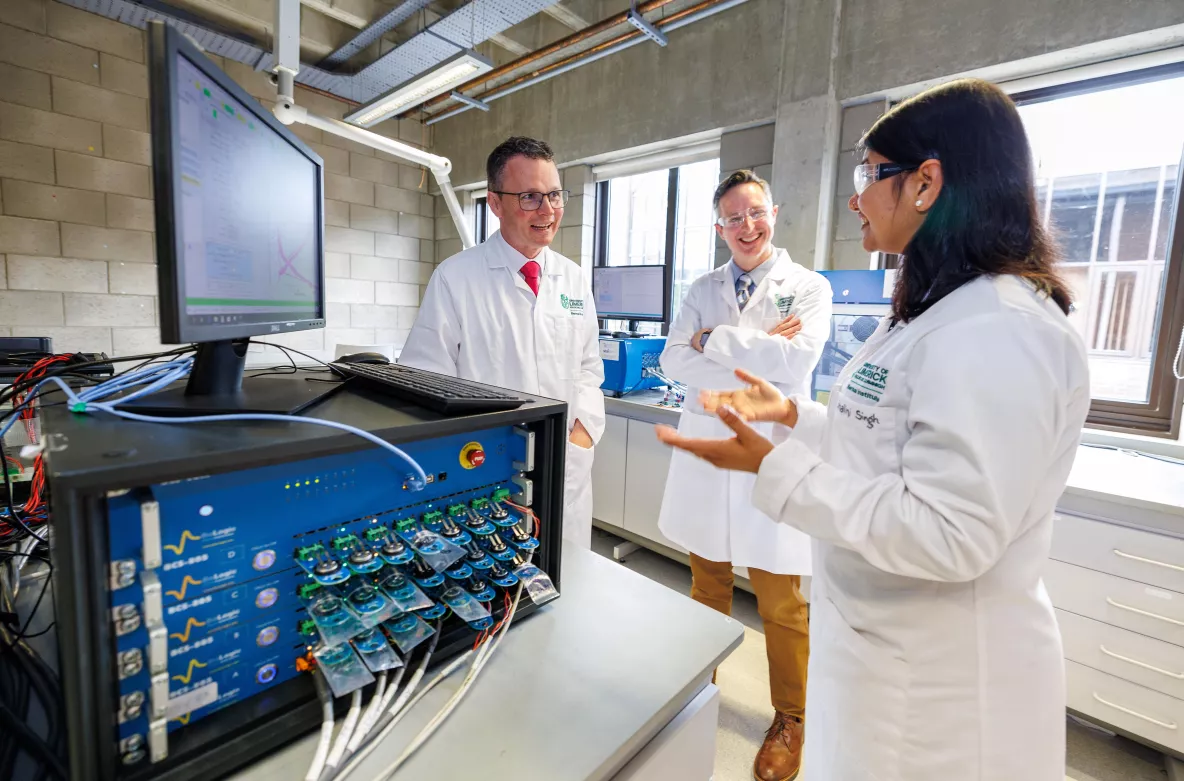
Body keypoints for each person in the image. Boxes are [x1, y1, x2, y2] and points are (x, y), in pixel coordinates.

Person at [656, 78, 1090, 781]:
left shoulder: (1000, 328)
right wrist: (797, 415)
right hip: (881, 660)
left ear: (926, 184)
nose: (855, 198)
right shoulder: (931, 313)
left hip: (939, 704)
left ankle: (787, 716)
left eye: (868, 176)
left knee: (778, 602)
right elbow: (881, 430)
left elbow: (951, 532)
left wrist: (774, 461)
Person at [656, 170, 831, 781]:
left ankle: (793, 717)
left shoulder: (807, 288)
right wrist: (752, 348)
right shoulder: (702, 285)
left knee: (782, 604)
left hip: (771, 454)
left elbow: (797, 361)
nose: (746, 226)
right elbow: (672, 358)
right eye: (733, 218)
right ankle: (697, 688)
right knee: (706, 586)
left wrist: (717, 340)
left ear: (774, 213)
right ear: (718, 226)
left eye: (755, 213)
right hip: (711, 453)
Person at [400, 136, 604, 548]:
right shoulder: (455, 278)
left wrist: (581, 434)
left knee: (567, 583)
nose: (547, 211)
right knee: (493, 590)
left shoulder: (574, 279)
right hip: (483, 473)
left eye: (555, 195)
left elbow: (588, 368)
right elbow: (424, 382)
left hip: (563, 467)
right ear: (495, 203)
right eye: (530, 197)